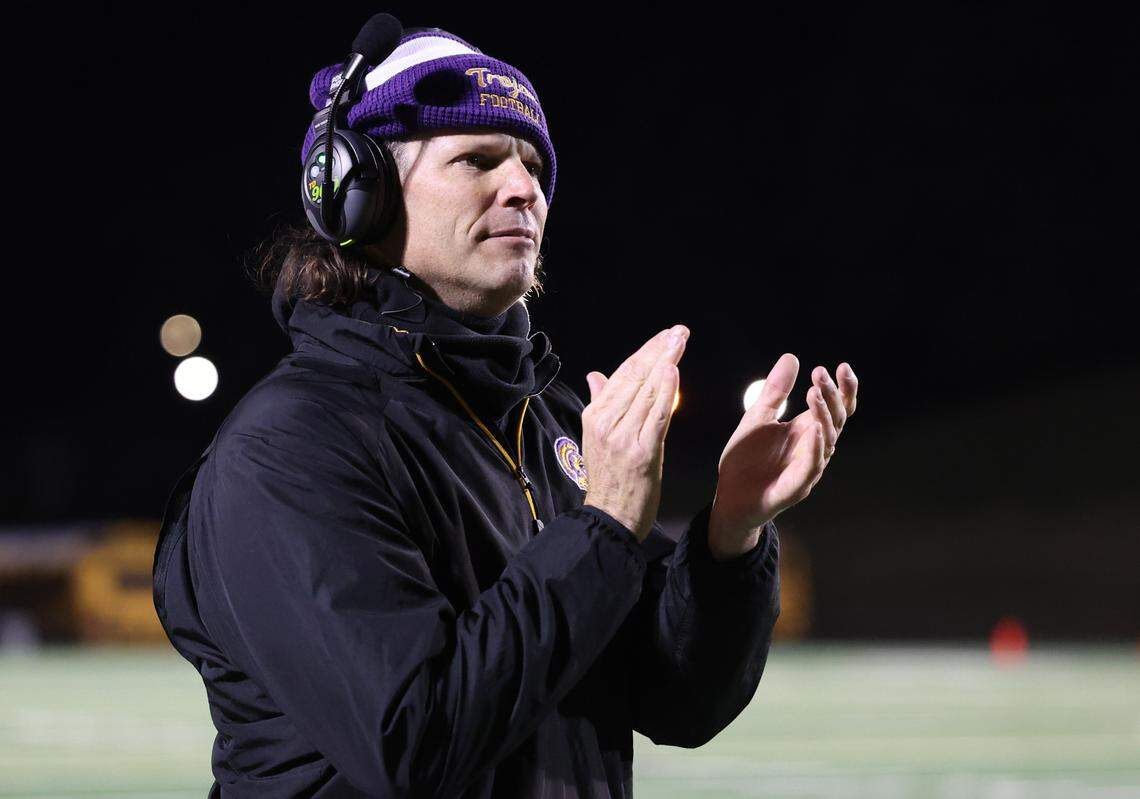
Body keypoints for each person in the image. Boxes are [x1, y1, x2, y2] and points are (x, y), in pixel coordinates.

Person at [152, 21, 859, 798]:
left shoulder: (543, 420)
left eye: (531, 164)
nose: (524, 188)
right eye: (477, 160)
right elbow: (415, 740)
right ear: (360, 195)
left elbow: (678, 697)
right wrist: (603, 527)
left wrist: (730, 537)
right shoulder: (290, 444)